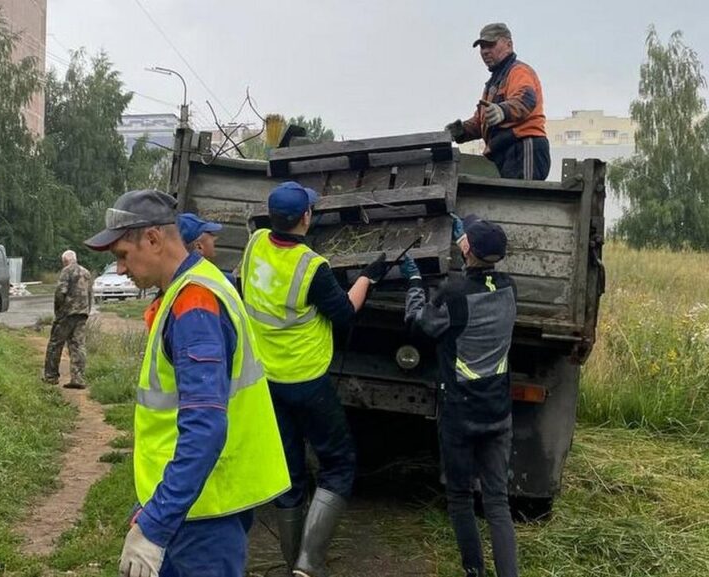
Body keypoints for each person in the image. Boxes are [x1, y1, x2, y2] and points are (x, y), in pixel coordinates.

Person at [84, 189, 290, 577]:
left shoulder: (194, 303)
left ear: (153, 239)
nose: (122, 270)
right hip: (195, 503)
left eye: (122, 256)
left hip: (202, 515)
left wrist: (158, 521)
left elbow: (204, 427)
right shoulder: (194, 286)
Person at [237, 181, 391, 576]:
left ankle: (293, 561)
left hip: (267, 381)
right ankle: (309, 561)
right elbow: (344, 313)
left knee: (289, 471)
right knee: (339, 463)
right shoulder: (312, 267)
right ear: (306, 217)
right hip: (307, 381)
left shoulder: (255, 244)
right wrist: (367, 278)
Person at [400, 214, 519, 577]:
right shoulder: (509, 288)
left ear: (465, 248)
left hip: (460, 412)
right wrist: (468, 244)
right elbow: (480, 277)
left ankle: (474, 571)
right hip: (498, 411)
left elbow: (420, 322)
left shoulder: (453, 294)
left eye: (464, 239)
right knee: (498, 503)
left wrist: (415, 282)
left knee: (460, 497)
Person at [445, 23, 549, 181]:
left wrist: (502, 111)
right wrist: (461, 131)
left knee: (521, 201)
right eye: (482, 47)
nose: (485, 51)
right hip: (505, 152)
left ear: (509, 44)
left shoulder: (518, 71)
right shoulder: (493, 84)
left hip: (523, 147)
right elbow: (481, 121)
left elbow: (525, 98)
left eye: (491, 45)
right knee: (509, 203)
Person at [43, 249, 92, 389]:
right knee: (78, 346)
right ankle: (78, 378)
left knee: (55, 344)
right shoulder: (86, 272)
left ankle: (51, 376)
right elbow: (89, 294)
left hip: (67, 313)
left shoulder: (66, 271)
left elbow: (60, 292)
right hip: (82, 313)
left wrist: (58, 311)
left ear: (65, 261)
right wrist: (86, 311)